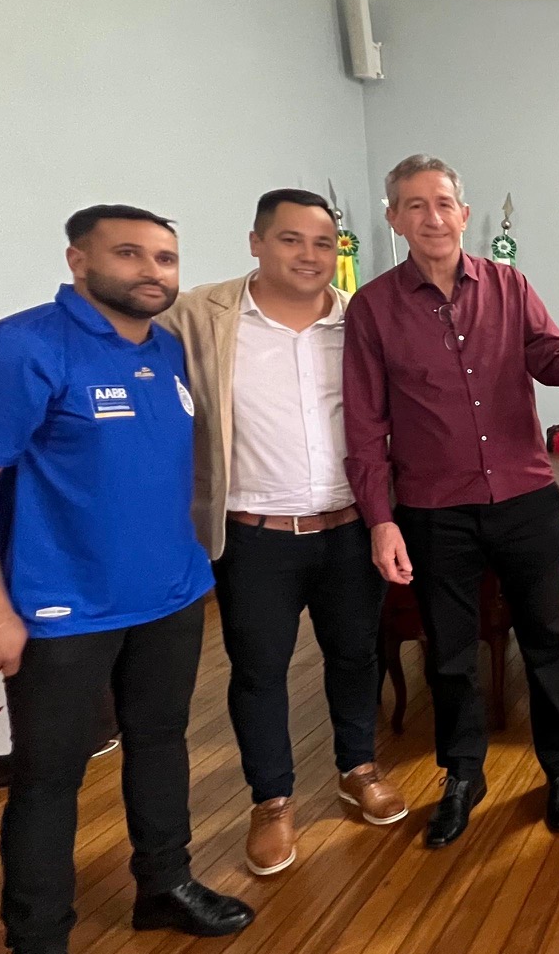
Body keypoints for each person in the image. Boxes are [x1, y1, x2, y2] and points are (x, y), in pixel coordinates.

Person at [0, 205, 254, 954]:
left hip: (170, 593)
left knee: (161, 742)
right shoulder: (17, 350)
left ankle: (165, 883)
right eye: (130, 254)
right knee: (48, 779)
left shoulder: (166, 349)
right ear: (79, 261)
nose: (153, 271)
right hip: (60, 608)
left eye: (166, 258)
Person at [343, 155, 559, 845]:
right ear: (394, 219)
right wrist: (380, 520)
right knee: (449, 654)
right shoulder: (373, 308)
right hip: (433, 510)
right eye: (414, 205)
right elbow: (363, 427)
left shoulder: (509, 286)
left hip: (524, 497)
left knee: (547, 645)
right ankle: (462, 774)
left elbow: (551, 358)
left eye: (442, 203)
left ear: (464, 213)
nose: (432, 217)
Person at [157, 189, 404, 878]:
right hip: (255, 533)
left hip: (349, 526)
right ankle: (271, 801)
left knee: (355, 655)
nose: (309, 255)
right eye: (291, 240)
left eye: (323, 243)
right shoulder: (200, 316)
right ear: (257, 243)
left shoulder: (360, 319)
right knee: (259, 670)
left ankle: (358, 768)